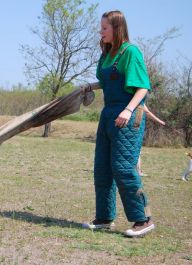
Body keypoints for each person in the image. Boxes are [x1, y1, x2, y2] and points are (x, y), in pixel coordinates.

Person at [82, 10, 155, 237]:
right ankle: (104, 218)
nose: (100, 31)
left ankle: (143, 220)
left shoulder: (130, 52)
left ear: (117, 28)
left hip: (128, 116)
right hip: (108, 115)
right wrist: (89, 87)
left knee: (123, 168)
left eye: (104, 28)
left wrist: (128, 109)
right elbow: (107, 82)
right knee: (102, 169)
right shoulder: (107, 54)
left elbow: (142, 86)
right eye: (101, 27)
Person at [137, 105, 166, 176]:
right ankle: (138, 171)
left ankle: (138, 171)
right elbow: (147, 112)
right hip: (135, 129)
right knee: (137, 152)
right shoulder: (139, 101)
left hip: (134, 128)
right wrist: (160, 121)